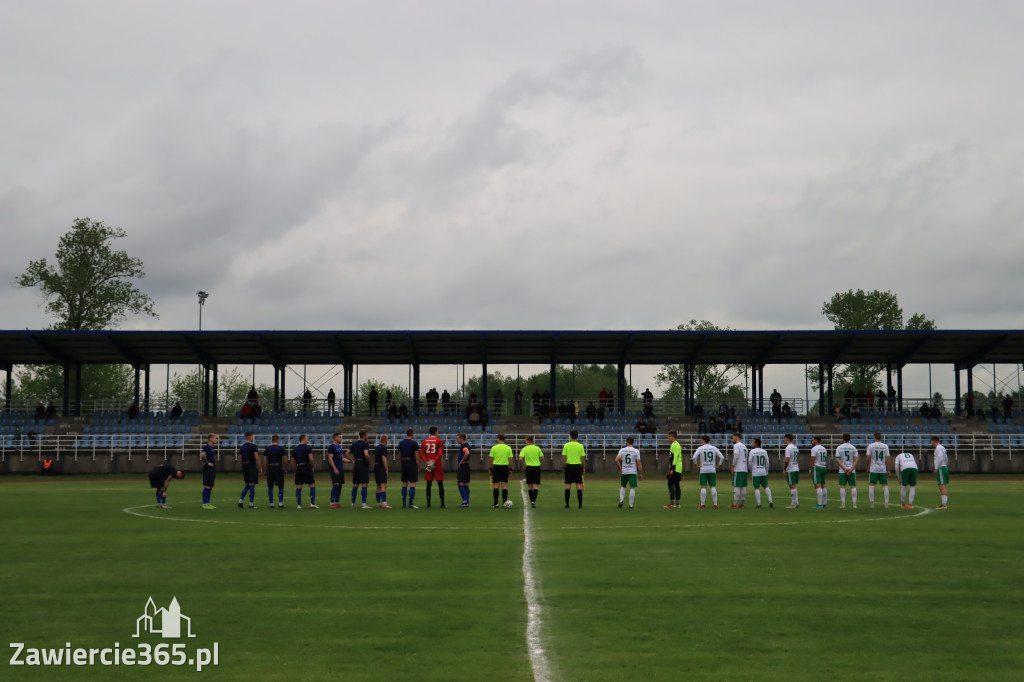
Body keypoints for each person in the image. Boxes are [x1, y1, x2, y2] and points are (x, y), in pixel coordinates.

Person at [692, 434, 725, 509]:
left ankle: (702, 504)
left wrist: (696, 464)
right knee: (713, 486)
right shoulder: (714, 448)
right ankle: (715, 504)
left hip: (703, 470)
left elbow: (694, 457)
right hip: (712, 469)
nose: (701, 441)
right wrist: (719, 465)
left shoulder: (700, 448)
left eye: (701, 440)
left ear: (704, 440)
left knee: (703, 487)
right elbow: (722, 457)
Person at [420, 426, 446, 508]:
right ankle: (442, 504)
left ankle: (428, 504)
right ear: (435, 432)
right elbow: (440, 453)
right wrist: (434, 461)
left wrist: (427, 462)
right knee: (440, 483)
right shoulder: (439, 441)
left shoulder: (424, 441)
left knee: (429, 483)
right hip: (437, 464)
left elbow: (421, 453)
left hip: (429, 464)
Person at [237, 431, 263, 509]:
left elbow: (240, 459)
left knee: (247, 484)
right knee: (252, 484)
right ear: (250, 436)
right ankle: (251, 504)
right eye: (253, 436)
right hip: (251, 466)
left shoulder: (242, 447)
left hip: (245, 467)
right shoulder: (253, 446)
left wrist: (244, 467)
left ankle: (240, 501)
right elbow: (256, 457)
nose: (253, 437)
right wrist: (260, 467)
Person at [865, 432, 891, 509]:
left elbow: (867, 458)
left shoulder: (871, 446)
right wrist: (888, 469)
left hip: (874, 468)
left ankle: (872, 503)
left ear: (874, 438)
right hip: (882, 468)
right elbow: (888, 458)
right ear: (881, 438)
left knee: (872, 485)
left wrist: (867, 467)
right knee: (885, 486)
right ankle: (886, 504)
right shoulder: (885, 446)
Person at [292, 434, 318, 509]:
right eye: (307, 439)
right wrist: (312, 466)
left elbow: (292, 461)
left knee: (299, 486)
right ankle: (312, 503)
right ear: (303, 439)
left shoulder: (295, 449)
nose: (308, 440)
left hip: (298, 468)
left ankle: (299, 505)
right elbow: (311, 459)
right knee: (312, 485)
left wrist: (294, 471)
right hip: (307, 467)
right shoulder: (308, 447)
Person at [616, 436, 643, 509]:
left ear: (626, 442)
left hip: (624, 471)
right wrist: (640, 473)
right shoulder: (636, 451)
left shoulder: (622, 450)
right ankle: (631, 505)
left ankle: (621, 500)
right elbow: (639, 463)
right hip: (633, 472)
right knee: (632, 488)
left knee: (623, 486)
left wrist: (620, 469)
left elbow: (616, 460)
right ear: (633, 443)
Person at [562, 430, 586, 509]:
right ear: (577, 436)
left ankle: (567, 505)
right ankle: (580, 505)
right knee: (579, 486)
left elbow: (563, 458)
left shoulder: (566, 445)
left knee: (568, 485)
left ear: (570, 436)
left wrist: (563, 467)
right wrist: (583, 468)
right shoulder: (580, 446)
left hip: (569, 467)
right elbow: (583, 459)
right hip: (577, 467)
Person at [834, 433, 859, 509]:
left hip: (842, 470)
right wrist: (851, 469)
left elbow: (837, 459)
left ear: (843, 439)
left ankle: (843, 504)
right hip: (852, 469)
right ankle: (854, 504)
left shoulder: (839, 448)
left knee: (842, 486)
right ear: (850, 439)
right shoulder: (853, 448)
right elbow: (856, 460)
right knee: (853, 486)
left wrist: (844, 469)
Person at [347, 430, 371, 509]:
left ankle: (353, 503)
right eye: (367, 434)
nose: (367, 436)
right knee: (364, 483)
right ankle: (364, 504)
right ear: (363, 435)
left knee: (356, 484)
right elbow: (366, 455)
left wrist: (352, 461)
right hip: (363, 464)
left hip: (356, 464)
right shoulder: (365, 444)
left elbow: (347, 453)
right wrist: (369, 462)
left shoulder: (354, 444)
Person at [489, 433, 514, 508]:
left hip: (496, 467)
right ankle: (504, 503)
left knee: (496, 485)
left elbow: (491, 459)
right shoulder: (508, 448)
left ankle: (496, 503)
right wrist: (510, 468)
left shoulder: (494, 447)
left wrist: (490, 468)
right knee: (504, 486)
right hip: (504, 467)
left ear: (499, 439)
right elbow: (510, 459)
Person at [397, 429, 420, 508]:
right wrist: (418, 466)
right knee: (412, 483)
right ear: (412, 434)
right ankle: (410, 503)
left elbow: (399, 454)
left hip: (404, 463)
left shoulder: (401, 443)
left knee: (404, 483)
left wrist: (401, 461)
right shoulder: (414, 443)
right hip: (412, 463)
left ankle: (404, 503)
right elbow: (417, 455)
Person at [748, 438, 773, 508]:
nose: (752, 443)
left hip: (756, 471)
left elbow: (749, 462)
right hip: (763, 470)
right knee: (766, 486)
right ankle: (770, 501)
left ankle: (759, 504)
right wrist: (766, 471)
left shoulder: (752, 451)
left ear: (756, 443)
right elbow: (767, 462)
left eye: (753, 442)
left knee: (756, 487)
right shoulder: (764, 451)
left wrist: (751, 470)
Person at [327, 432, 350, 508]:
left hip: (341, 469)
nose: (341, 438)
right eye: (340, 437)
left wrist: (351, 461)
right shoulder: (331, 447)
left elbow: (342, 458)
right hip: (335, 469)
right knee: (335, 485)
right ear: (335, 438)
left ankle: (337, 502)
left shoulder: (339, 447)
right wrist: (334, 468)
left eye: (341, 437)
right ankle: (332, 503)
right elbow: (330, 458)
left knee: (340, 486)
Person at [263, 435, 287, 508]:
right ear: (278, 440)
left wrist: (265, 469)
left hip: (270, 468)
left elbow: (264, 461)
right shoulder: (281, 449)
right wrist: (285, 469)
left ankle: (271, 503)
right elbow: (285, 460)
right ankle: (280, 503)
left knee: (270, 486)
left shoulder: (267, 449)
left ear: (272, 440)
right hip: (278, 468)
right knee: (280, 486)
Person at [520, 435, 543, 508]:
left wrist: (521, 467)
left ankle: (532, 501)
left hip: (529, 468)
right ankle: (533, 501)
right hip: (536, 467)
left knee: (530, 486)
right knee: (535, 485)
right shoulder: (537, 448)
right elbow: (542, 457)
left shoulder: (524, 449)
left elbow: (520, 459)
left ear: (527, 440)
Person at [729, 433, 749, 508]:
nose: (732, 439)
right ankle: (742, 503)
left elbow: (736, 456)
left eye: (732, 438)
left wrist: (733, 466)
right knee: (743, 486)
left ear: (736, 438)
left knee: (736, 485)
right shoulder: (744, 446)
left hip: (738, 468)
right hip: (744, 468)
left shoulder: (736, 445)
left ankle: (735, 503)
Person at [199, 433, 219, 509]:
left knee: (210, 486)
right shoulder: (207, 447)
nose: (216, 440)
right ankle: (204, 504)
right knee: (207, 485)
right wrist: (208, 463)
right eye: (215, 438)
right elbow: (202, 455)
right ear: (210, 439)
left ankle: (208, 503)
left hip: (212, 469)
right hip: (208, 469)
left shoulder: (211, 448)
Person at [665, 430, 683, 509]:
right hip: (678, 468)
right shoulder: (676, 445)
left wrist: (672, 468)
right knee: (676, 485)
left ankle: (672, 503)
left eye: (669, 436)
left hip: (675, 468)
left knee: (670, 484)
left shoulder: (674, 445)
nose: (668, 438)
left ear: (672, 436)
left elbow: (675, 457)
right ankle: (677, 504)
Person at [810, 435, 829, 508]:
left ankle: (819, 504)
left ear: (816, 440)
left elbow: (812, 460)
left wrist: (809, 469)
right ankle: (824, 503)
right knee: (823, 485)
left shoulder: (814, 449)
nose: (812, 441)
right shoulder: (824, 448)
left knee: (817, 486)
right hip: (823, 467)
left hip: (817, 467)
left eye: (812, 440)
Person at [373, 436, 391, 508]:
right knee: (383, 485)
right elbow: (384, 458)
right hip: (381, 467)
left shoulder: (377, 447)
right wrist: (386, 468)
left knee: (378, 485)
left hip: (376, 466)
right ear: (386, 440)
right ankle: (384, 503)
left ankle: (378, 503)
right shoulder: (383, 448)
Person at [782, 434, 800, 508]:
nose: (783, 440)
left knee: (791, 486)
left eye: (784, 438)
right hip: (796, 467)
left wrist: (784, 469)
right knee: (794, 486)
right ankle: (796, 502)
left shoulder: (788, 448)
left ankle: (793, 504)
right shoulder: (795, 447)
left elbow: (787, 460)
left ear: (787, 439)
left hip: (791, 469)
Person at [933, 436, 950, 509]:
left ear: (934, 441)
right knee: (943, 485)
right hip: (944, 467)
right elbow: (946, 458)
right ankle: (944, 504)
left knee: (942, 486)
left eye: (931, 442)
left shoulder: (938, 448)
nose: (931, 443)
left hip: (941, 468)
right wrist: (946, 465)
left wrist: (937, 467)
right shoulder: (942, 448)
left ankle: (944, 504)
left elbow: (940, 458)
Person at [455, 433, 472, 507]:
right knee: (465, 483)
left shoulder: (464, 445)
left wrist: (461, 461)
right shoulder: (467, 444)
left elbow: (466, 453)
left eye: (458, 438)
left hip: (463, 466)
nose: (457, 439)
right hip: (466, 466)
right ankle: (467, 501)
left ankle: (465, 501)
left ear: (462, 439)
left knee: (460, 483)